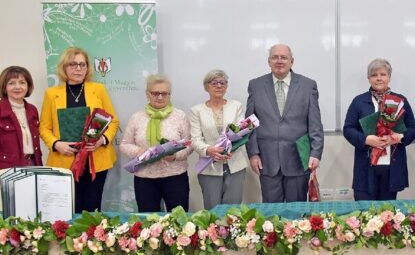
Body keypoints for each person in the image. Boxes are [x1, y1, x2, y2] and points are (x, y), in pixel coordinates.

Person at [40, 47, 119, 213]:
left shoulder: (98, 89)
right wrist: (56, 144)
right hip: (65, 160)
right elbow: (44, 127)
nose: (78, 69)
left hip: (95, 160)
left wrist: (102, 140)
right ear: (64, 67)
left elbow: (113, 121)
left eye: (82, 64)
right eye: (73, 64)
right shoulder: (51, 94)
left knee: (92, 209)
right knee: (70, 209)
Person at [246, 43, 324, 203]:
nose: (279, 61)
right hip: (267, 160)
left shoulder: (308, 85)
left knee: (296, 212)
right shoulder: (256, 85)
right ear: (269, 61)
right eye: (275, 57)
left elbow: (315, 123)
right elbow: (250, 124)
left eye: (284, 57)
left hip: (298, 158)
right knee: (270, 212)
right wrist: (253, 153)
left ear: (292, 61)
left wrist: (315, 153)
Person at [343, 58, 415, 201]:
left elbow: (412, 128)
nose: (379, 78)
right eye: (374, 75)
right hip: (365, 168)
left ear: (389, 77)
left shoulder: (400, 100)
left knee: (387, 211)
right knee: (364, 210)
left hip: (391, 168)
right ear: (369, 78)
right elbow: (348, 129)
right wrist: (366, 139)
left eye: (383, 74)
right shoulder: (359, 101)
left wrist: (398, 138)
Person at [120, 75, 191, 212]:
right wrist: (138, 151)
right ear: (147, 94)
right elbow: (124, 144)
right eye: (155, 93)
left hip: (175, 177)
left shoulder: (180, 116)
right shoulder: (136, 117)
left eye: (164, 93)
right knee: (149, 221)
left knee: (179, 220)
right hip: (145, 179)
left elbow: (190, 144)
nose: (160, 97)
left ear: (169, 95)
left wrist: (175, 155)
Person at [190, 70, 248, 209]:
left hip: (235, 164)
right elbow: (195, 140)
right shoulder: (196, 111)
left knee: (233, 211)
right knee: (213, 210)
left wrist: (230, 148)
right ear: (206, 86)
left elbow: (241, 131)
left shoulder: (236, 106)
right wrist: (209, 150)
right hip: (209, 167)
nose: (218, 86)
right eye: (214, 83)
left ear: (226, 86)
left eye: (222, 82)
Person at [0, 66, 43, 168]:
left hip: (33, 163)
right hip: (7, 168)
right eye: (11, 83)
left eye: (22, 82)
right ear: (4, 87)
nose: (17, 87)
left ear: (28, 86)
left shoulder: (32, 110)